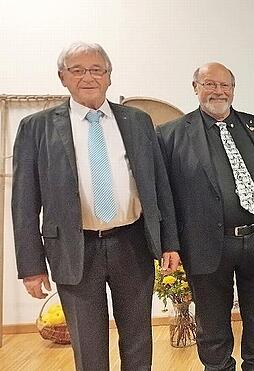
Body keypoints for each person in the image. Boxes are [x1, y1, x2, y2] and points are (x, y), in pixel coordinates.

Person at [12, 41, 180, 371]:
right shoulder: (37, 127)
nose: (88, 77)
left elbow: (160, 186)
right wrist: (31, 265)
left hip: (132, 243)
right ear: (62, 77)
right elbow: (24, 202)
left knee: (138, 338)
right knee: (88, 345)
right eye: (77, 70)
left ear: (109, 76)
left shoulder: (138, 121)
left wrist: (169, 242)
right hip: (74, 249)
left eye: (96, 70)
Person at [157, 62, 254, 371]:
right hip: (205, 245)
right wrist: (169, 244)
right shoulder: (170, 135)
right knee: (212, 321)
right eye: (210, 84)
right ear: (195, 87)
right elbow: (164, 196)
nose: (218, 91)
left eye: (224, 85)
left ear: (233, 89)